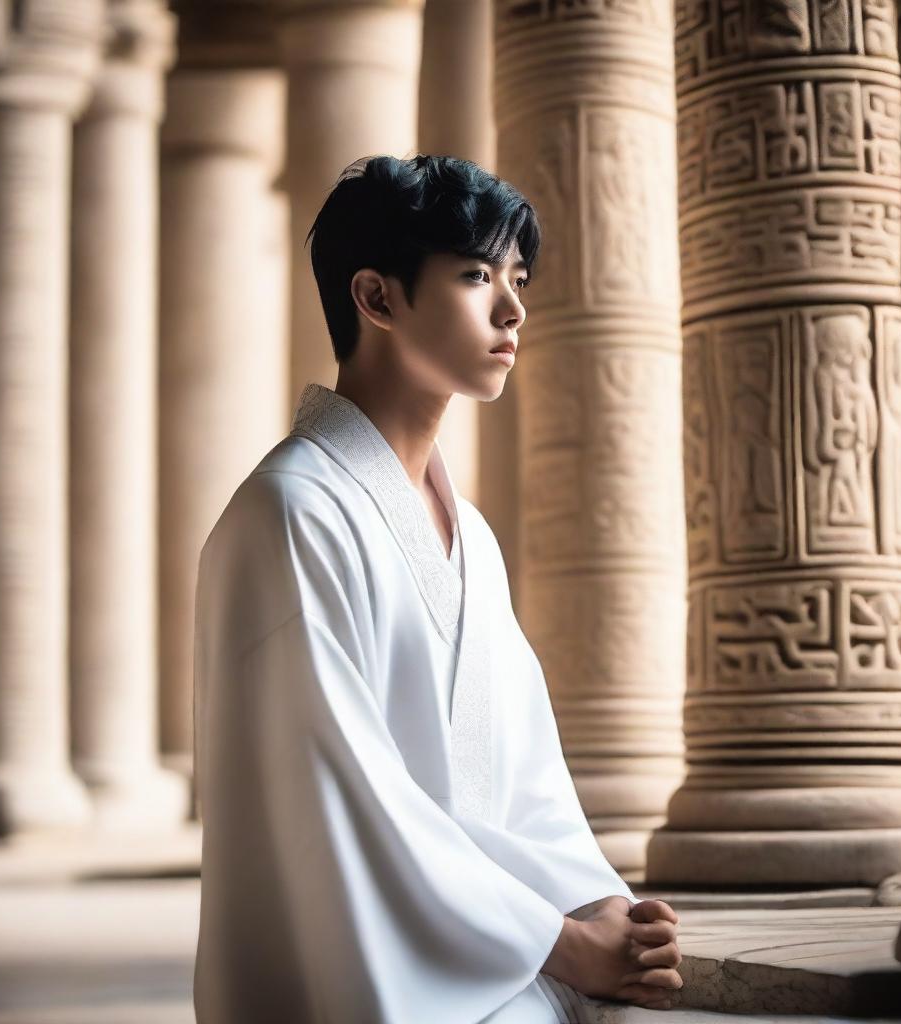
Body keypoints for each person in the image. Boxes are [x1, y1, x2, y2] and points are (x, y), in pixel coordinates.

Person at [192, 154, 683, 1023]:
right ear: (376, 298)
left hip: (497, 946)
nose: (514, 308)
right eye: (474, 276)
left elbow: (525, 777)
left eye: (517, 277)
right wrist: (562, 944)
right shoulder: (290, 515)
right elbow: (349, 805)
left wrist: (599, 906)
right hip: (382, 981)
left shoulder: (472, 538)